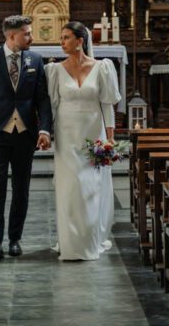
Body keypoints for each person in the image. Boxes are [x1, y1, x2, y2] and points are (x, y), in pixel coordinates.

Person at [0, 15, 52, 261]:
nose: (31, 37)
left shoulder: (35, 60)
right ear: (12, 36)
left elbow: (42, 99)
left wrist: (44, 129)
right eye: (27, 33)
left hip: (25, 134)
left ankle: (15, 239)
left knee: (21, 189)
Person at [45, 21, 121, 261]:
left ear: (80, 41)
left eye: (66, 37)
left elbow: (107, 103)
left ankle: (89, 238)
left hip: (93, 132)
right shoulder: (55, 70)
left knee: (91, 187)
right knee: (70, 188)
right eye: (61, 38)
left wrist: (110, 135)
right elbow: (52, 106)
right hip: (66, 135)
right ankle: (70, 243)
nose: (61, 42)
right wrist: (46, 132)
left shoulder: (103, 68)